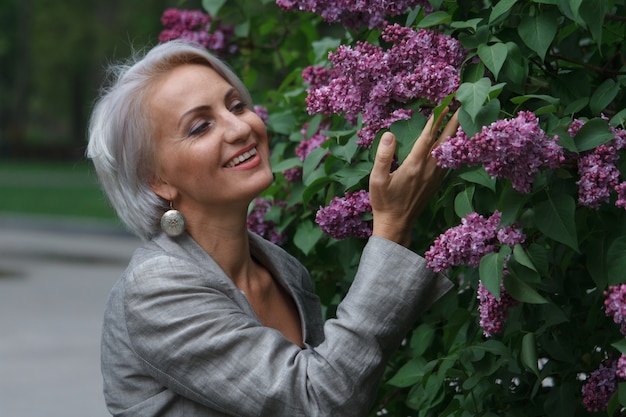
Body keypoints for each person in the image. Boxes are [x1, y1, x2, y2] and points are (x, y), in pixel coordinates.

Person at [87, 40, 460, 417]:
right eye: (200, 127)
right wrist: (392, 228)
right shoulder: (157, 290)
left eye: (236, 106)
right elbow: (320, 400)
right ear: (158, 180)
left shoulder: (282, 270)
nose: (239, 128)